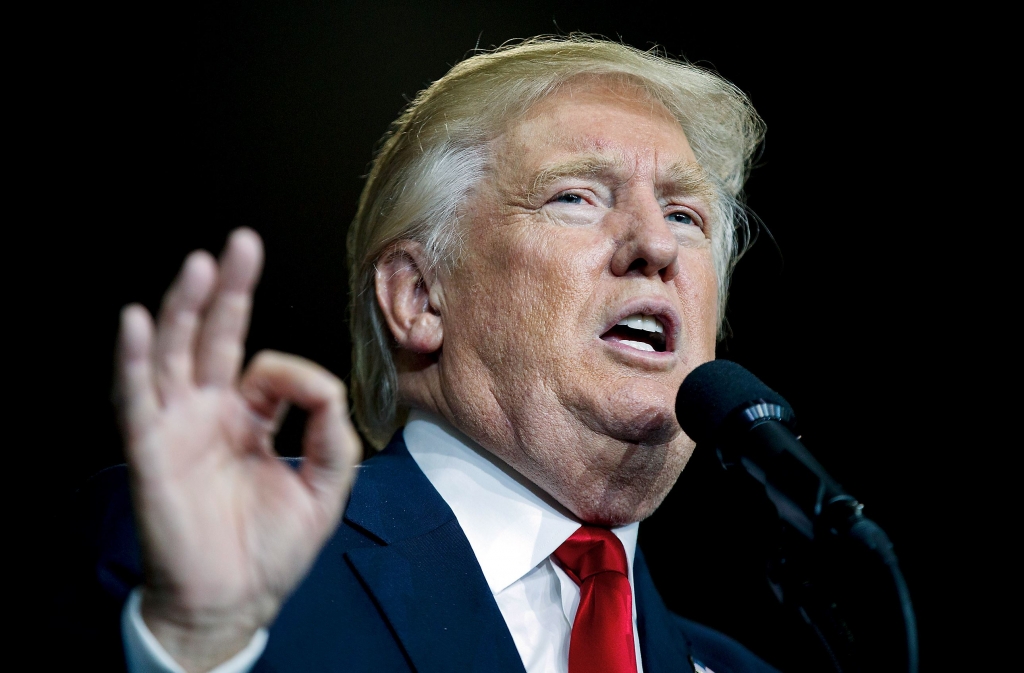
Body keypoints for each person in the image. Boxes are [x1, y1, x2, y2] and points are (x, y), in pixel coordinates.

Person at [69, 36, 780, 672]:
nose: (656, 247)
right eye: (576, 198)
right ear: (419, 297)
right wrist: (196, 646)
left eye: (685, 216)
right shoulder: (210, 554)